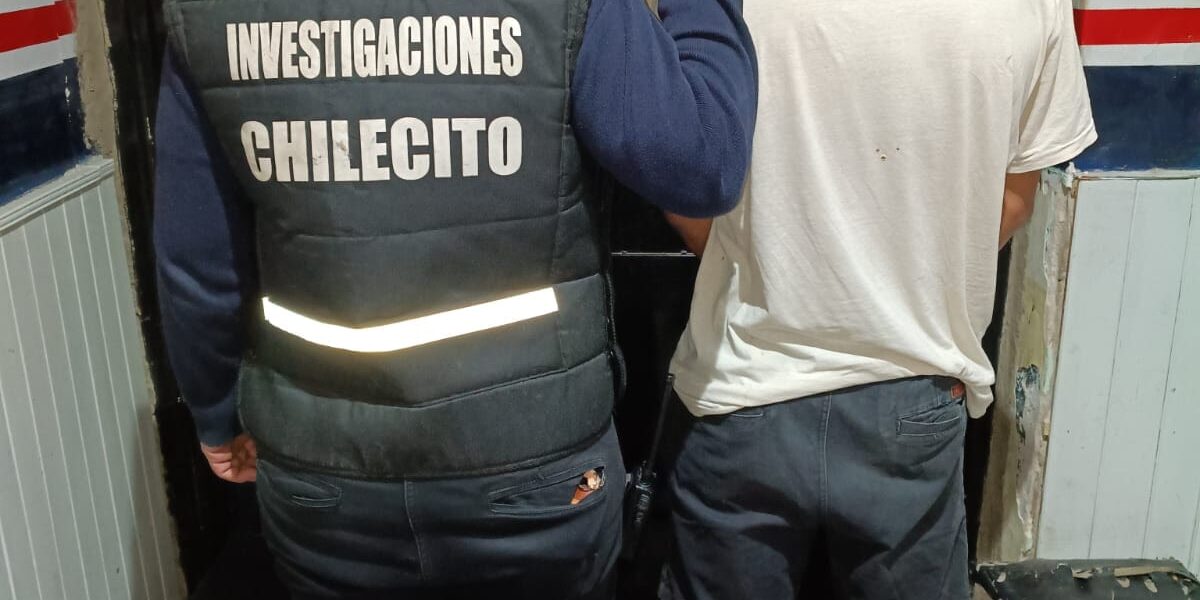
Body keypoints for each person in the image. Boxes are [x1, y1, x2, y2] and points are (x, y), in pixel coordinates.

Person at [151, 0, 756, 597]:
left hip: (326, 484)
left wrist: (215, 412)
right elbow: (699, 163)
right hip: (535, 476)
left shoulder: (208, 13)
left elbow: (197, 260)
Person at [663, 0, 1096, 598]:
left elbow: (681, 184)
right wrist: (918, 274)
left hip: (742, 389)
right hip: (913, 398)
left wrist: (768, 263)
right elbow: (1016, 199)